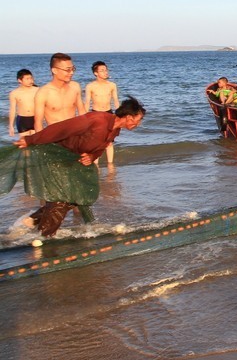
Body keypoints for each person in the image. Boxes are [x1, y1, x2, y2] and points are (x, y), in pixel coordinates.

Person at [12, 97, 146, 236]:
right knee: (61, 202)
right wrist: (30, 140)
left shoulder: (115, 130)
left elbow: (99, 148)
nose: (139, 123)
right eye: (139, 119)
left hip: (72, 161)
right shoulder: (97, 119)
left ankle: (34, 220)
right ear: (129, 117)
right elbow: (61, 129)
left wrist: (92, 157)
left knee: (77, 195)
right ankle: (44, 239)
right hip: (55, 157)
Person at [34, 53, 85, 131]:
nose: (71, 73)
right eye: (68, 70)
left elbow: (82, 113)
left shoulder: (75, 87)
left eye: (73, 69)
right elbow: (38, 123)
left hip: (74, 132)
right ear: (54, 70)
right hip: (56, 136)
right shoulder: (43, 93)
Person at [85, 61, 121, 166]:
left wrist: (118, 115)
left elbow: (116, 100)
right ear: (96, 73)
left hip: (109, 113)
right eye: (102, 70)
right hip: (95, 114)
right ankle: (95, 165)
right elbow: (87, 102)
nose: (105, 72)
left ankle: (110, 165)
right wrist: (85, 117)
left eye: (106, 70)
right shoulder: (90, 86)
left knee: (109, 141)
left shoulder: (112, 85)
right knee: (96, 142)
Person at [8, 69, 38, 137]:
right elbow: (12, 110)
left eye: (31, 78)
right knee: (24, 143)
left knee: (37, 143)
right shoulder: (14, 93)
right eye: (27, 79)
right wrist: (11, 126)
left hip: (36, 118)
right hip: (22, 120)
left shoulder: (38, 90)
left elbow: (45, 105)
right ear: (19, 80)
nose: (30, 80)